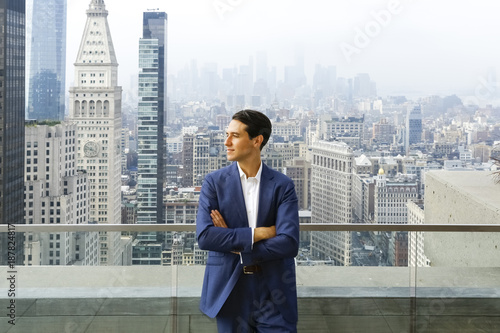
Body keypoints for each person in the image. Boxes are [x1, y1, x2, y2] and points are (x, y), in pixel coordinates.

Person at [196, 109, 300, 332]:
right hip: (229, 289)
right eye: (227, 134)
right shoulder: (214, 183)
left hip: (274, 291)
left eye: (234, 135)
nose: (226, 142)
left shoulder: (283, 185)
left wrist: (237, 245)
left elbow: (289, 243)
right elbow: (205, 237)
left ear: (257, 140)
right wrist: (261, 233)